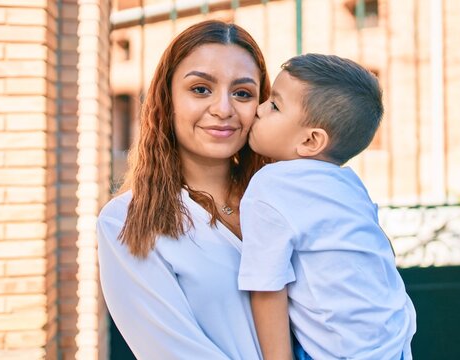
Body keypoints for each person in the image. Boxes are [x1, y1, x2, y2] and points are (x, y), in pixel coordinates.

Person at [97, 20, 271, 359]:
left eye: (242, 93)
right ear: (167, 99)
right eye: (201, 89)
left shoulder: (282, 199)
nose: (223, 109)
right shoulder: (125, 221)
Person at [238, 54, 417, 360]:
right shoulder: (349, 183)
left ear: (310, 141)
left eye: (275, 105)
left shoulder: (270, 185)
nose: (258, 108)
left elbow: (267, 288)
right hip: (393, 340)